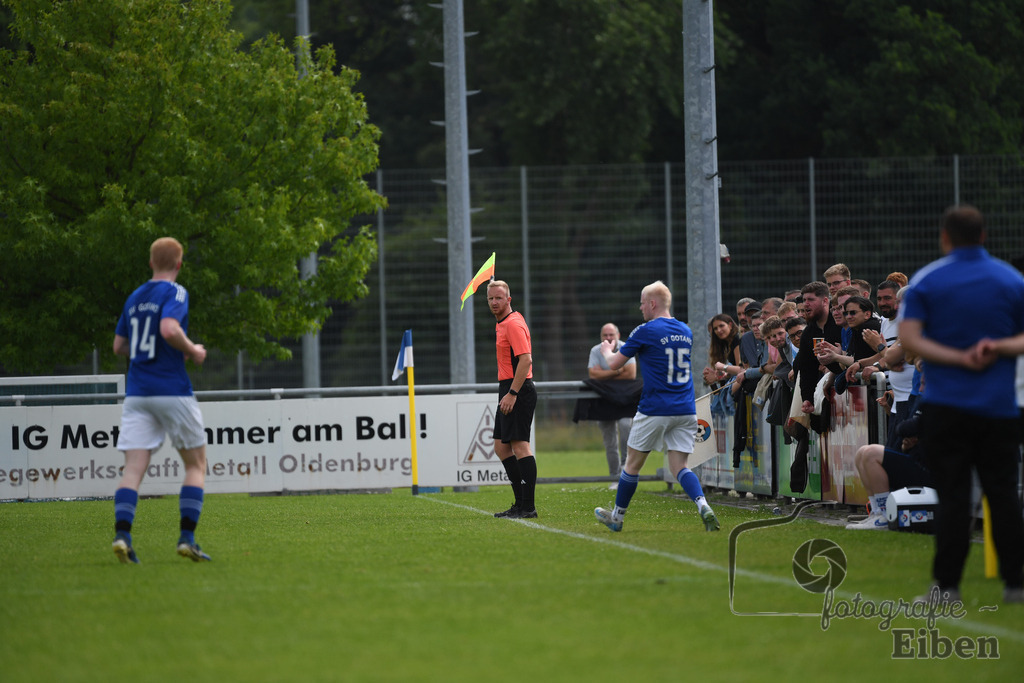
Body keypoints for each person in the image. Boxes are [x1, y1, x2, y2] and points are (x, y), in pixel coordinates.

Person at [900, 204, 1024, 605]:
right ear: (984, 236)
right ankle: (1016, 583)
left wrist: (955, 357)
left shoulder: (927, 281)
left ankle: (947, 586)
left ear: (945, 237)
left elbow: (910, 340)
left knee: (953, 496)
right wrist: (997, 346)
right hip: (999, 408)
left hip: (946, 406)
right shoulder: (1011, 279)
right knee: (1003, 493)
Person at [111, 237, 212, 564]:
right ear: (179, 264)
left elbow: (119, 346)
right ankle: (187, 538)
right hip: (170, 390)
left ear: (151, 262)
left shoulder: (135, 296)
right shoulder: (176, 292)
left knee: (133, 469)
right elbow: (169, 329)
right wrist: (191, 350)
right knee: (196, 465)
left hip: (138, 393)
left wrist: (148, 353)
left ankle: (123, 536)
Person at [594, 280, 720, 532]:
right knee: (680, 467)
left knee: (632, 464)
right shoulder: (685, 330)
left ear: (652, 303)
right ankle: (703, 505)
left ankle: (617, 518)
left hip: (655, 408)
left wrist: (608, 349)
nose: (641, 308)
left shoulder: (645, 330)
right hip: (685, 408)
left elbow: (613, 364)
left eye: (642, 303)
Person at [486, 280, 540, 519]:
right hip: (508, 387)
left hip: (518, 389)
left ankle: (528, 507)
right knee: (501, 447)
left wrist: (513, 393)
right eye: (490, 299)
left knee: (520, 446)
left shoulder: (513, 324)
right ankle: (519, 504)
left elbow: (526, 360)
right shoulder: (502, 323)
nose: (494, 302)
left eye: (499, 298)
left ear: (509, 299)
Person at [846, 413, 932, 530]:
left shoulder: (937, 401)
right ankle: (876, 512)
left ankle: (886, 514)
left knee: (871, 453)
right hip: (916, 459)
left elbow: (905, 428)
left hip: (930, 471)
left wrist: (911, 434)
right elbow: (904, 430)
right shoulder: (917, 398)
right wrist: (906, 444)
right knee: (861, 452)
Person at [588, 323, 636, 486]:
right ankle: (614, 476)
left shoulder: (626, 348)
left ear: (618, 335)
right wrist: (617, 371)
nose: (608, 338)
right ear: (601, 337)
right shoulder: (596, 350)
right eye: (605, 335)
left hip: (624, 398)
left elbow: (631, 374)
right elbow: (593, 375)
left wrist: (604, 374)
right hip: (604, 399)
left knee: (625, 427)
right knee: (609, 440)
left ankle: (625, 470)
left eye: (611, 335)